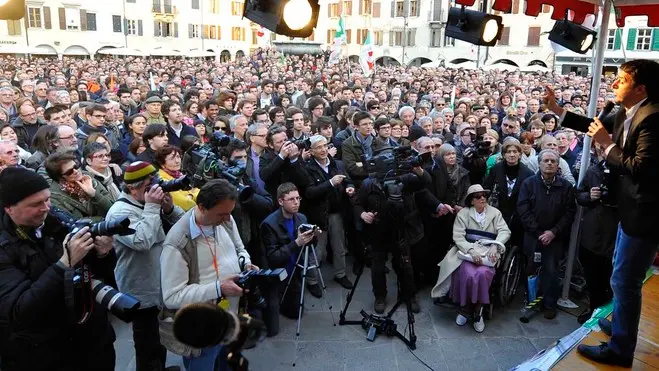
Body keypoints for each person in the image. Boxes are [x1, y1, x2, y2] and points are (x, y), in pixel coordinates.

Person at [546, 59, 659, 366]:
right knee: (620, 277)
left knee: (625, 281)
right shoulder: (627, 108)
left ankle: (621, 350)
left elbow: (641, 169)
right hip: (629, 211)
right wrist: (559, 111)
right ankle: (622, 325)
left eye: (621, 80)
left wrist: (607, 146)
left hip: (644, 216)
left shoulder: (653, 119)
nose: (613, 85)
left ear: (641, 89)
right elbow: (593, 126)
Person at [0, 167, 116, 370]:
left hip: (93, 339)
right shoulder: (4, 246)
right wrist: (64, 264)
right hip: (47, 353)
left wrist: (103, 253)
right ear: (9, 208)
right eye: (36, 204)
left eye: (47, 199)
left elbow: (97, 272)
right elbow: (20, 311)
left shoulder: (57, 219)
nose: (46, 208)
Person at [160, 179, 257, 371]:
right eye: (222, 214)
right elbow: (171, 297)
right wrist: (218, 288)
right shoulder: (177, 243)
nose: (227, 219)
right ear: (202, 207)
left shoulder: (225, 217)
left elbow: (240, 248)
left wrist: (245, 263)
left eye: (230, 213)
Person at [107, 161, 185, 371]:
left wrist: (168, 209)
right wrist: (152, 207)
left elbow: (184, 225)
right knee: (147, 342)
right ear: (133, 188)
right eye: (149, 186)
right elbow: (142, 241)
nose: (156, 190)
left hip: (160, 281)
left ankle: (160, 366)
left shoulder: (147, 203)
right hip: (140, 288)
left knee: (160, 336)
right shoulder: (119, 213)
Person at [431, 184, 511, 333]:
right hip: (467, 252)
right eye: (478, 196)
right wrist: (471, 250)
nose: (482, 198)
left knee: (482, 273)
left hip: (488, 252)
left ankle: (478, 311)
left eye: (484, 196)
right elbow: (458, 237)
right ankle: (465, 308)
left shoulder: (495, 213)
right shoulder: (463, 214)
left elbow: (505, 231)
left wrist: (496, 245)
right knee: (467, 272)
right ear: (471, 201)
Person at [517, 149, 576, 320]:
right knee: (531, 269)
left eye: (553, 161)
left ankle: (549, 304)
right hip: (533, 236)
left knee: (551, 270)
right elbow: (523, 208)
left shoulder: (566, 186)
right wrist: (538, 232)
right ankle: (531, 301)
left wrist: (553, 232)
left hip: (555, 238)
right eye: (546, 160)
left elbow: (569, 213)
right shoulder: (529, 183)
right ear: (540, 163)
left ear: (558, 166)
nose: (549, 163)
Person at [260, 183, 317, 331]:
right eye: (291, 199)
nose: (296, 202)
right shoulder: (269, 224)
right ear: (280, 201)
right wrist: (296, 243)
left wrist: (313, 237)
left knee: (297, 311)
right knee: (280, 321)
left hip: (296, 270)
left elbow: (308, 249)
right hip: (279, 273)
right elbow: (273, 257)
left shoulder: (302, 218)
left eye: (298, 198)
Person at [303, 135, 355, 290]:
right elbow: (309, 192)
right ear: (311, 151)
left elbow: (348, 180)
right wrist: (331, 183)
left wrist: (349, 187)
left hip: (337, 212)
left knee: (339, 247)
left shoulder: (337, 164)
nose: (323, 149)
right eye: (319, 147)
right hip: (318, 215)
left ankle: (341, 274)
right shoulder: (307, 168)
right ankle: (312, 281)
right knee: (318, 250)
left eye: (325, 145)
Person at [575, 145, 618, 324]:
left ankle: (605, 315)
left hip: (613, 235)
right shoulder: (593, 171)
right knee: (592, 279)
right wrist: (589, 196)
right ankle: (593, 309)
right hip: (591, 235)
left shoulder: (624, 175)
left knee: (609, 280)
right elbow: (579, 195)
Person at [44, 151, 113, 220]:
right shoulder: (54, 197)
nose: (76, 171)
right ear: (60, 178)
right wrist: (101, 219)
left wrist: (94, 194)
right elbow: (73, 223)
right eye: (69, 172)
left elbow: (112, 208)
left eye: (76, 166)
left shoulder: (89, 179)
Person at [155, 145, 199, 211]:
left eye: (178, 157)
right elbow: (187, 204)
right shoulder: (163, 181)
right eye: (172, 158)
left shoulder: (181, 174)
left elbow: (199, 189)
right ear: (162, 164)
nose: (177, 161)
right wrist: (194, 194)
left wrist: (191, 196)